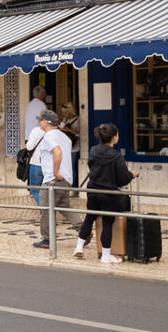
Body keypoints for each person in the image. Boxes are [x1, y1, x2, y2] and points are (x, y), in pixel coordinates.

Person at [74, 123, 133, 264]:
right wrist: (132, 175)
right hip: (108, 193)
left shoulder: (94, 150)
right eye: (117, 135)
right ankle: (106, 256)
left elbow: (91, 166)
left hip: (93, 190)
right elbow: (122, 179)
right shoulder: (116, 156)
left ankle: (79, 247)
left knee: (89, 217)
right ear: (114, 137)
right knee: (107, 223)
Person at [30, 109, 74, 250]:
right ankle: (84, 233)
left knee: (45, 210)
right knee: (65, 208)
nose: (39, 122)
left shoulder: (49, 136)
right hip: (66, 180)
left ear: (47, 122)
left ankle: (47, 239)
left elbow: (57, 152)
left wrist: (55, 172)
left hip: (53, 180)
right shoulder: (65, 137)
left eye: (41, 120)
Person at [22, 83, 49, 148]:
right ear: (42, 94)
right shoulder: (41, 104)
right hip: (37, 138)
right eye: (45, 93)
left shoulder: (30, 104)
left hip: (28, 137)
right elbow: (45, 121)